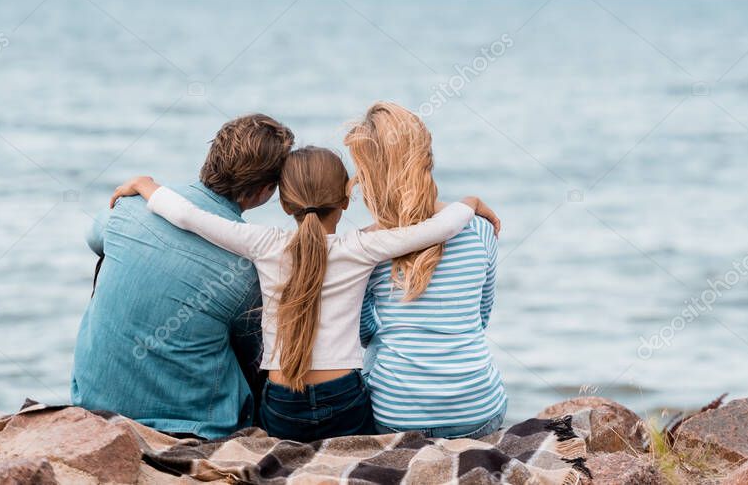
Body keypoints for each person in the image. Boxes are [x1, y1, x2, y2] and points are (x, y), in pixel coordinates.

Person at [107, 146, 499, 442]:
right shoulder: (360, 248)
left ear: (283, 202)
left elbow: (191, 217)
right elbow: (435, 230)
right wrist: (470, 203)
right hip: (345, 399)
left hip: (283, 404)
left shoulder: (264, 243)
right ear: (346, 201)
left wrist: (148, 186)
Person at [71, 114, 294, 439]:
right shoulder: (249, 266)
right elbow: (254, 355)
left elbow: (95, 239)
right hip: (190, 430)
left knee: (112, 257)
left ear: (212, 155)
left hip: (91, 404)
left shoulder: (131, 205)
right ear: (264, 190)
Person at [346, 102, 508, 439]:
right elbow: (480, 317)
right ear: (427, 159)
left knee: (379, 345)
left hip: (396, 417)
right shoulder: (479, 231)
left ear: (369, 176)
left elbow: (362, 334)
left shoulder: (365, 248)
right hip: (476, 411)